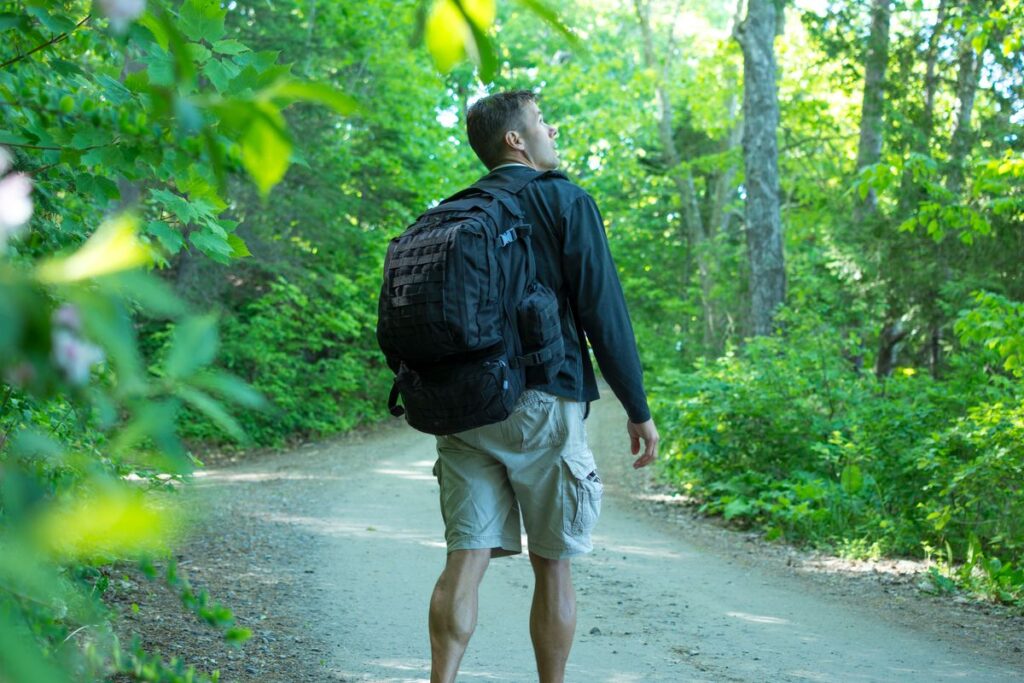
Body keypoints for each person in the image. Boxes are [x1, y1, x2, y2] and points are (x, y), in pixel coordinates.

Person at [428, 90, 660, 683]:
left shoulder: (452, 212)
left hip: (462, 405)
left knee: (466, 558)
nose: (550, 129)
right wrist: (637, 408)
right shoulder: (565, 201)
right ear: (516, 140)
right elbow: (603, 312)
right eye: (540, 123)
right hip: (540, 401)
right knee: (553, 565)